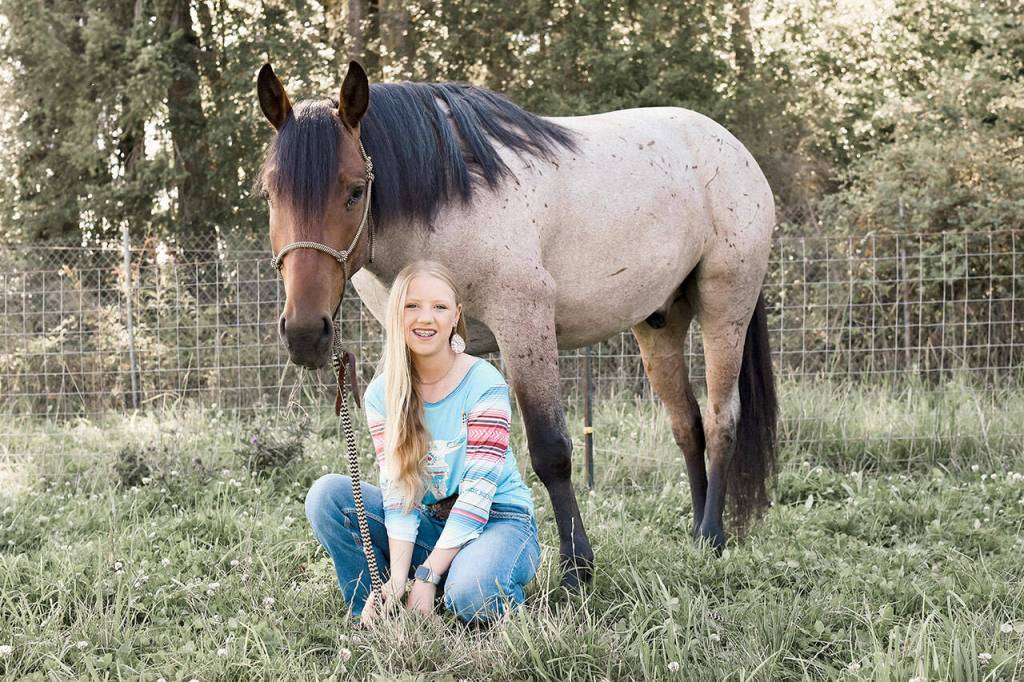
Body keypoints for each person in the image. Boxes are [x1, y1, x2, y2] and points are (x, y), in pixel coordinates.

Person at [304, 261, 540, 625]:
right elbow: (400, 493)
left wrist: (428, 575)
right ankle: (378, 607)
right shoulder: (382, 394)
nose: (425, 318)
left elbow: (477, 495)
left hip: (498, 520)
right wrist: (399, 578)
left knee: (472, 595)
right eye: (412, 306)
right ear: (395, 313)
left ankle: (463, 583)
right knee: (328, 496)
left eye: (439, 307)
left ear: (455, 318)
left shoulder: (484, 383)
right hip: (430, 522)